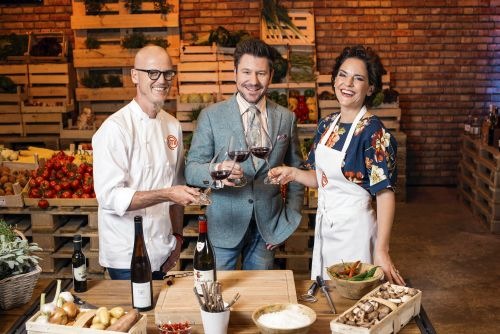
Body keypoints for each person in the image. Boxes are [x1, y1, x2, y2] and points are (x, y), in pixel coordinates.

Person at [269, 45, 405, 285]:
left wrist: (382, 249)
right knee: (328, 296)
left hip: (356, 232)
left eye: (358, 78)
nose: (348, 83)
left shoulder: (372, 131)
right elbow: (320, 178)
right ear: (333, 81)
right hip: (326, 228)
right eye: (342, 75)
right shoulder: (326, 125)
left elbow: (384, 194)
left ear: (370, 87)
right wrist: (293, 173)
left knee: (354, 298)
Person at [185, 38, 304, 270]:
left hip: (267, 228)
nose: (253, 81)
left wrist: (288, 222)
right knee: (218, 293)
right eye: (246, 72)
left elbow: (297, 174)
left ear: (270, 75)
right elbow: (191, 169)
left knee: (260, 298)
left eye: (261, 73)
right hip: (224, 225)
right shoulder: (211, 116)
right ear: (235, 72)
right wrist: (216, 170)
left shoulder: (286, 118)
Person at [92, 45, 200, 280]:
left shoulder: (172, 125)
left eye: (167, 73)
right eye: (152, 73)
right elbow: (110, 197)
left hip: (163, 248)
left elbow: (176, 186)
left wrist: (178, 238)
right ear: (134, 76)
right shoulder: (115, 129)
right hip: (126, 253)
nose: (161, 80)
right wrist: (167, 193)